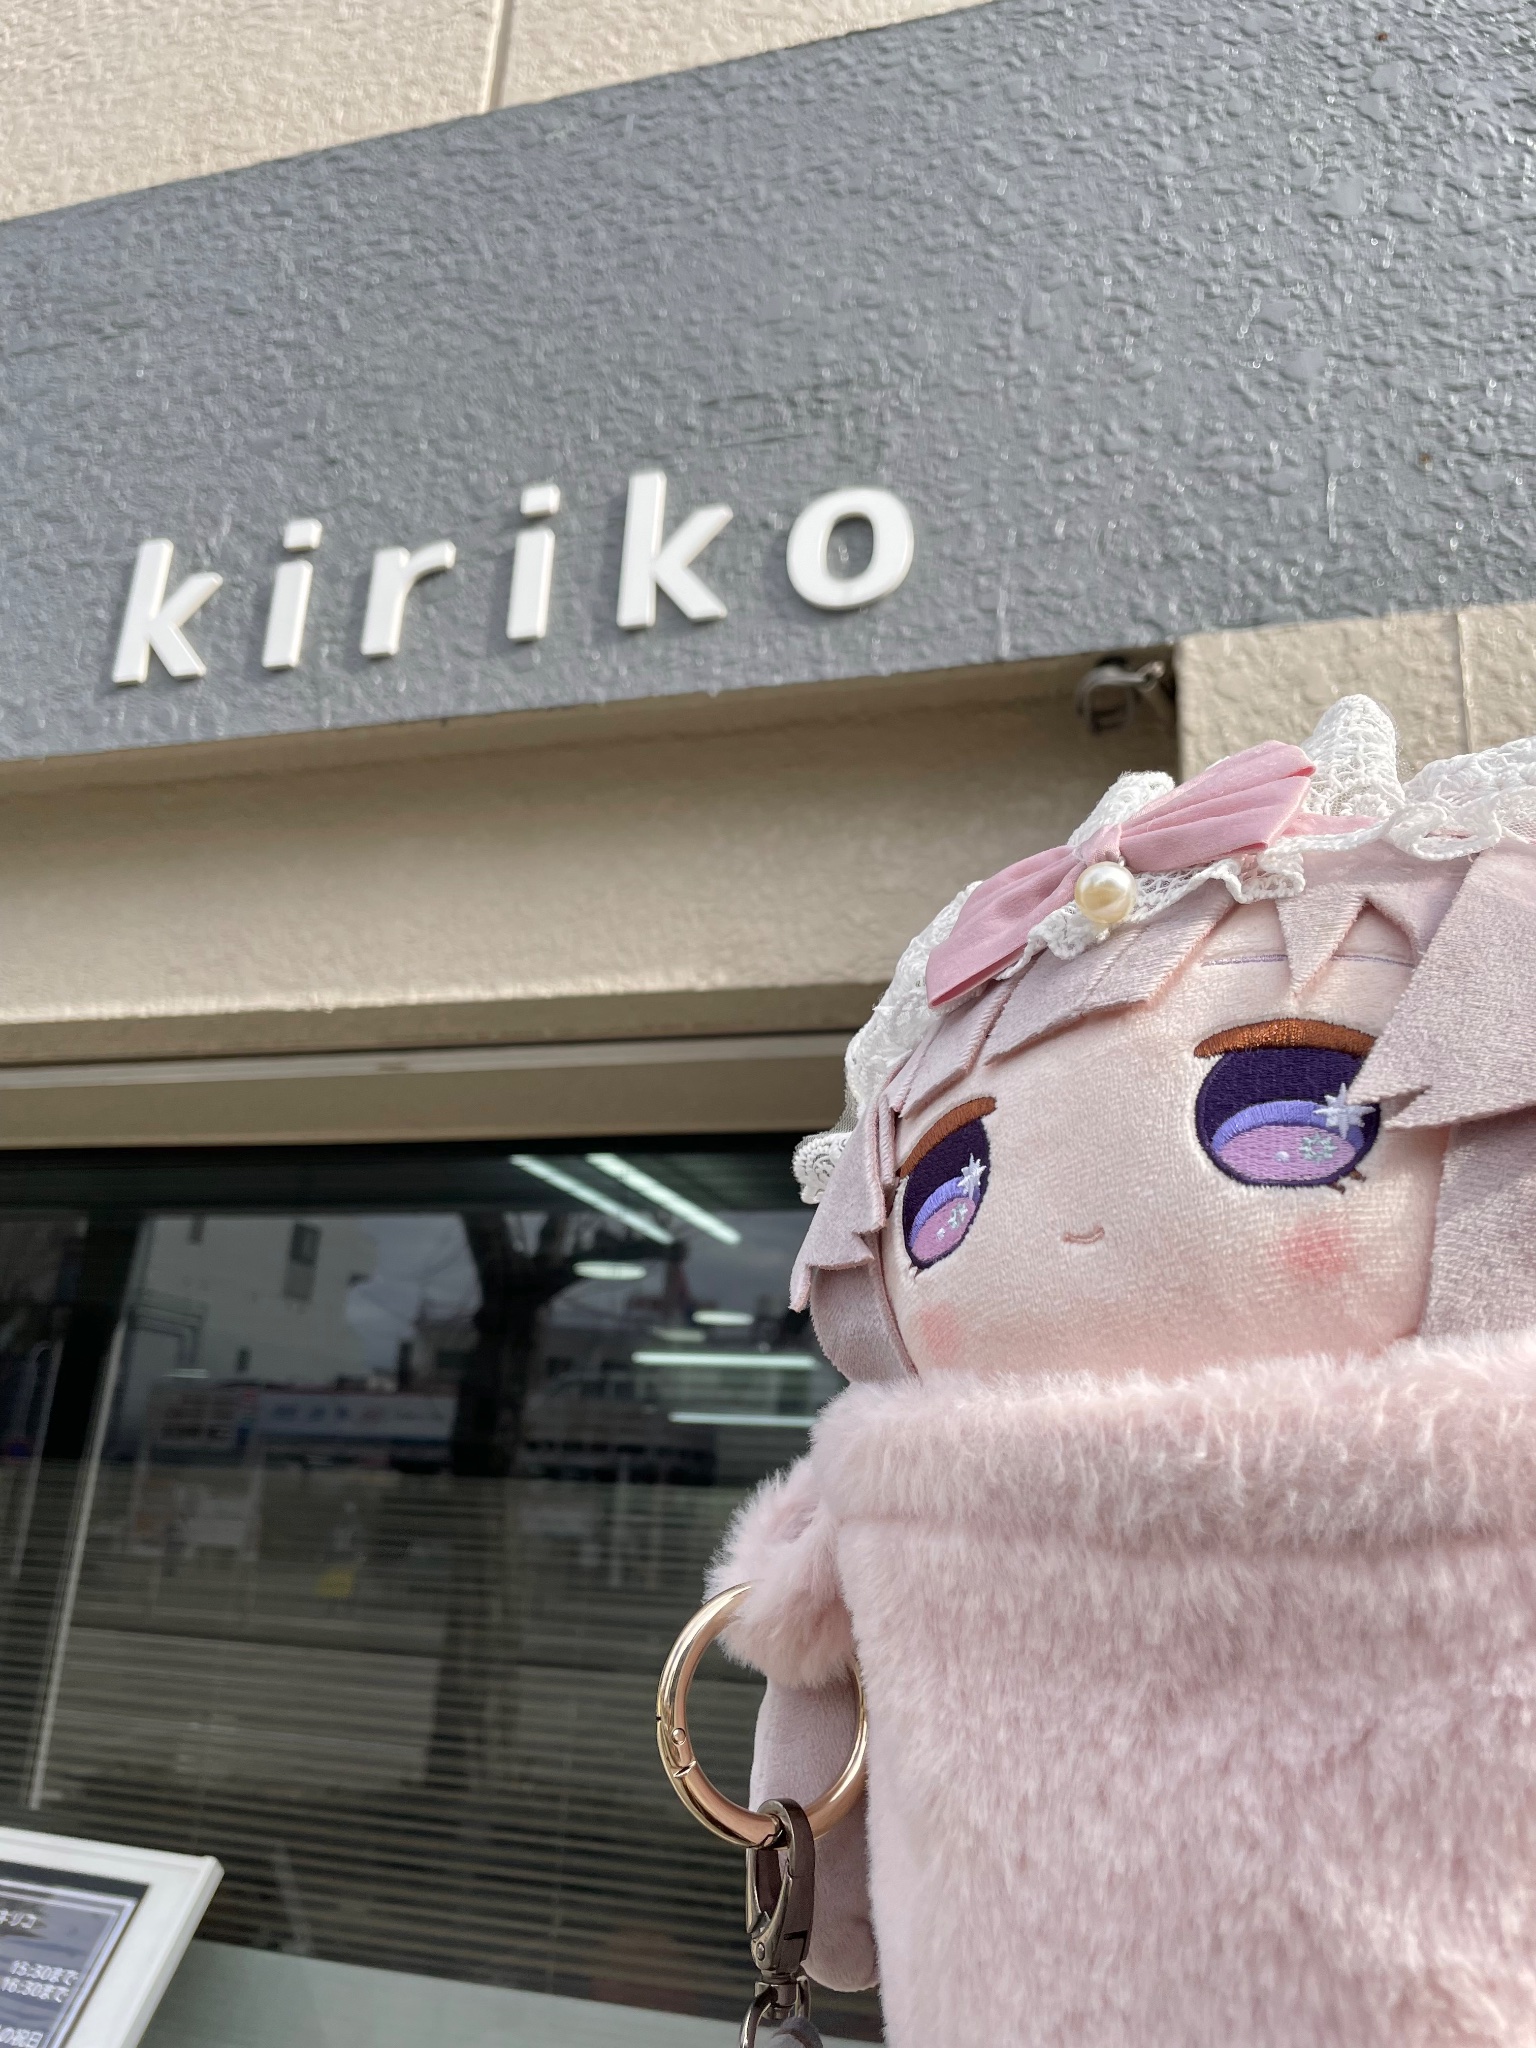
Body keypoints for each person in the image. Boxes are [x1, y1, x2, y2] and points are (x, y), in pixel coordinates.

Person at [709, 695, 1536, 2046]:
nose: (1077, 1229)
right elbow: (814, 1752)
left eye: (1283, 1111)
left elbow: (811, 1824)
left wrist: (820, 1915)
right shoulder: (894, 1496)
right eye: (950, 1185)